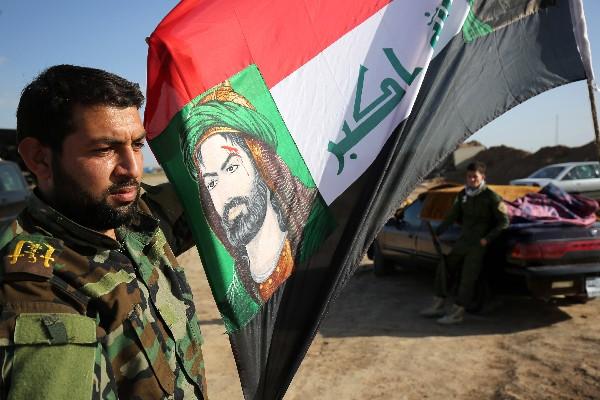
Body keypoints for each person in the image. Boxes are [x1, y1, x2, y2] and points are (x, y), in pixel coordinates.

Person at [0, 65, 206, 399]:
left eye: (137, 144)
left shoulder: (133, 216)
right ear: (39, 159)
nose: (132, 169)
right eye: (104, 149)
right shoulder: (40, 290)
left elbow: (218, 193)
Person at [180, 82, 317, 308]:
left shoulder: (314, 240)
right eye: (211, 182)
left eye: (231, 167)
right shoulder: (238, 300)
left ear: (261, 163)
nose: (224, 193)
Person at [420, 161, 509, 324]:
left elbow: (504, 222)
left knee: (467, 278)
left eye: (475, 176)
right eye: (469, 176)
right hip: (462, 242)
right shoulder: (463, 195)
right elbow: (452, 216)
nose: (471, 179)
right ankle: (438, 304)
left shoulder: (491, 197)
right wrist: (438, 231)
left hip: (477, 245)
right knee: (444, 267)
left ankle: (457, 312)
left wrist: (487, 239)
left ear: (483, 177)